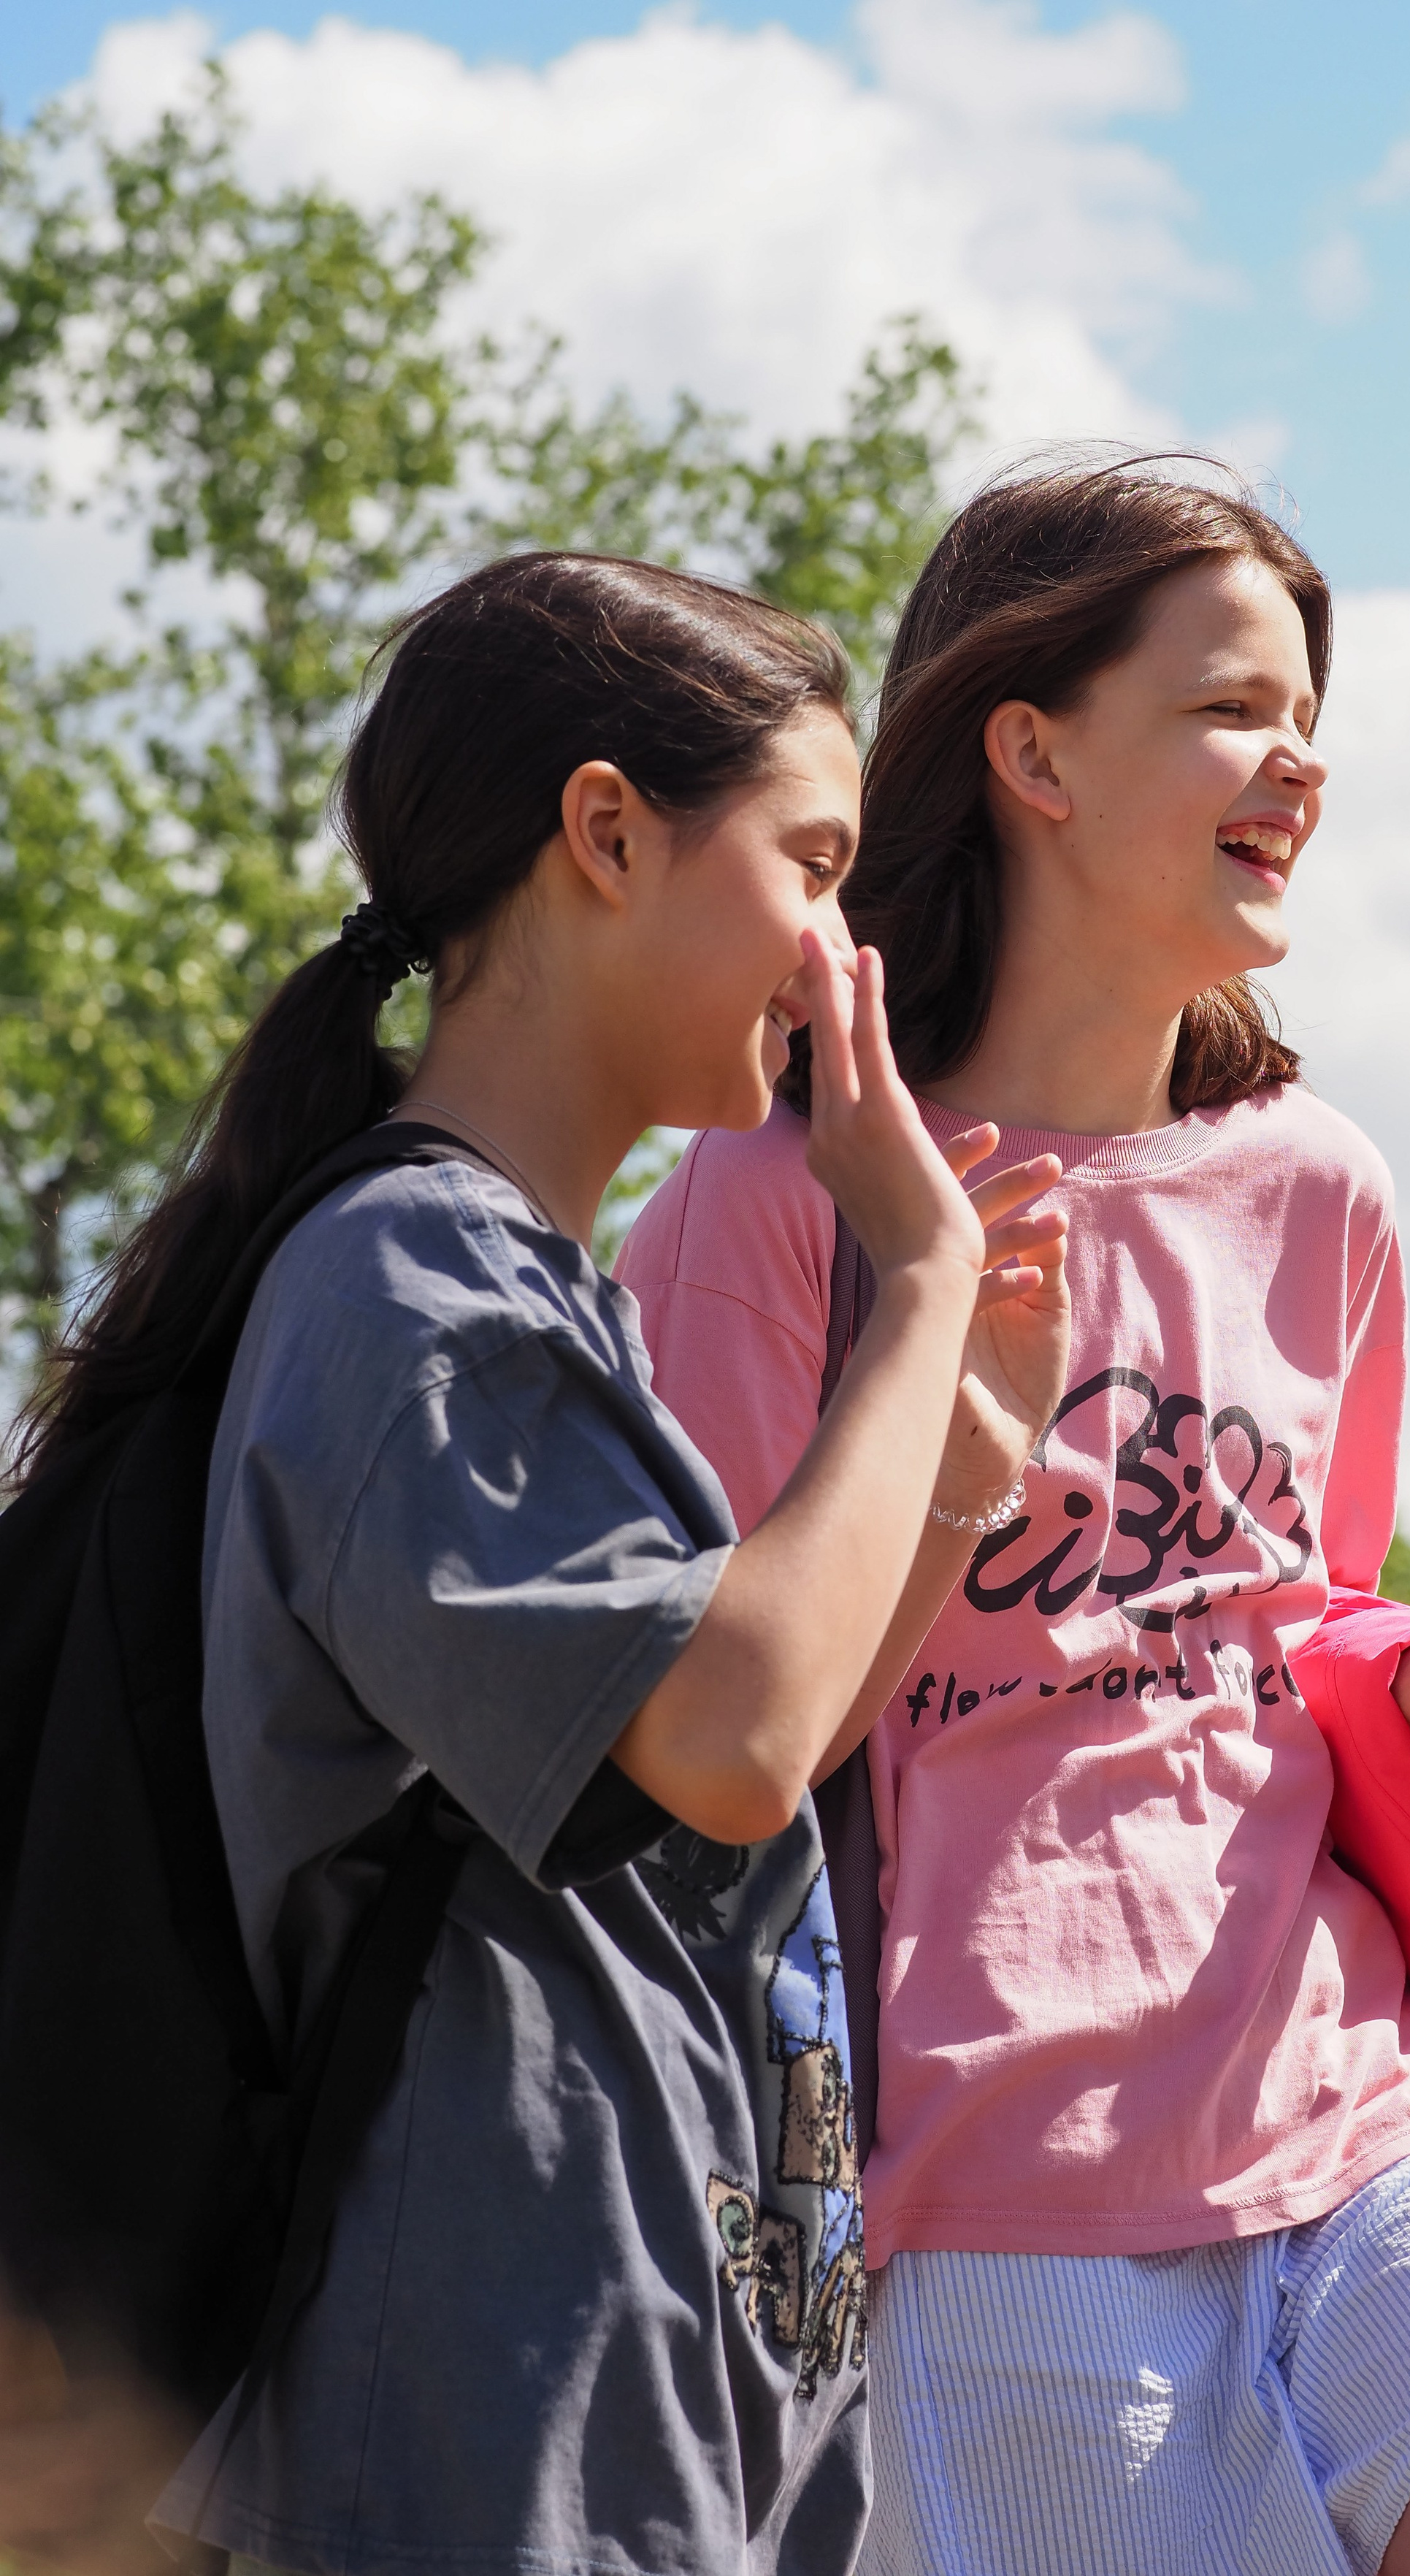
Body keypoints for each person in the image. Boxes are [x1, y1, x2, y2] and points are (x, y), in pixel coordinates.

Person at [619, 461, 1410, 2576]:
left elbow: (1299, 1621)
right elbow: (705, 1763)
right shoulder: (777, 1202)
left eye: (1309, 717)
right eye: (1231, 708)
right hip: (975, 2194)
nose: (1296, 762)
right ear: (1029, 748)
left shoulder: (1325, 1188)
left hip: (1355, 2107)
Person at [14, 551, 1069, 2576]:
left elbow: (725, 1785)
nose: (842, 950)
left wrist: (954, 1473)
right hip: (488, 2414)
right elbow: (732, 1736)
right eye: (812, 864)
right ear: (606, 833)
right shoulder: (410, 1275)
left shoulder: (523, 1291)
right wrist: (921, 1275)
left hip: (640, 2379)